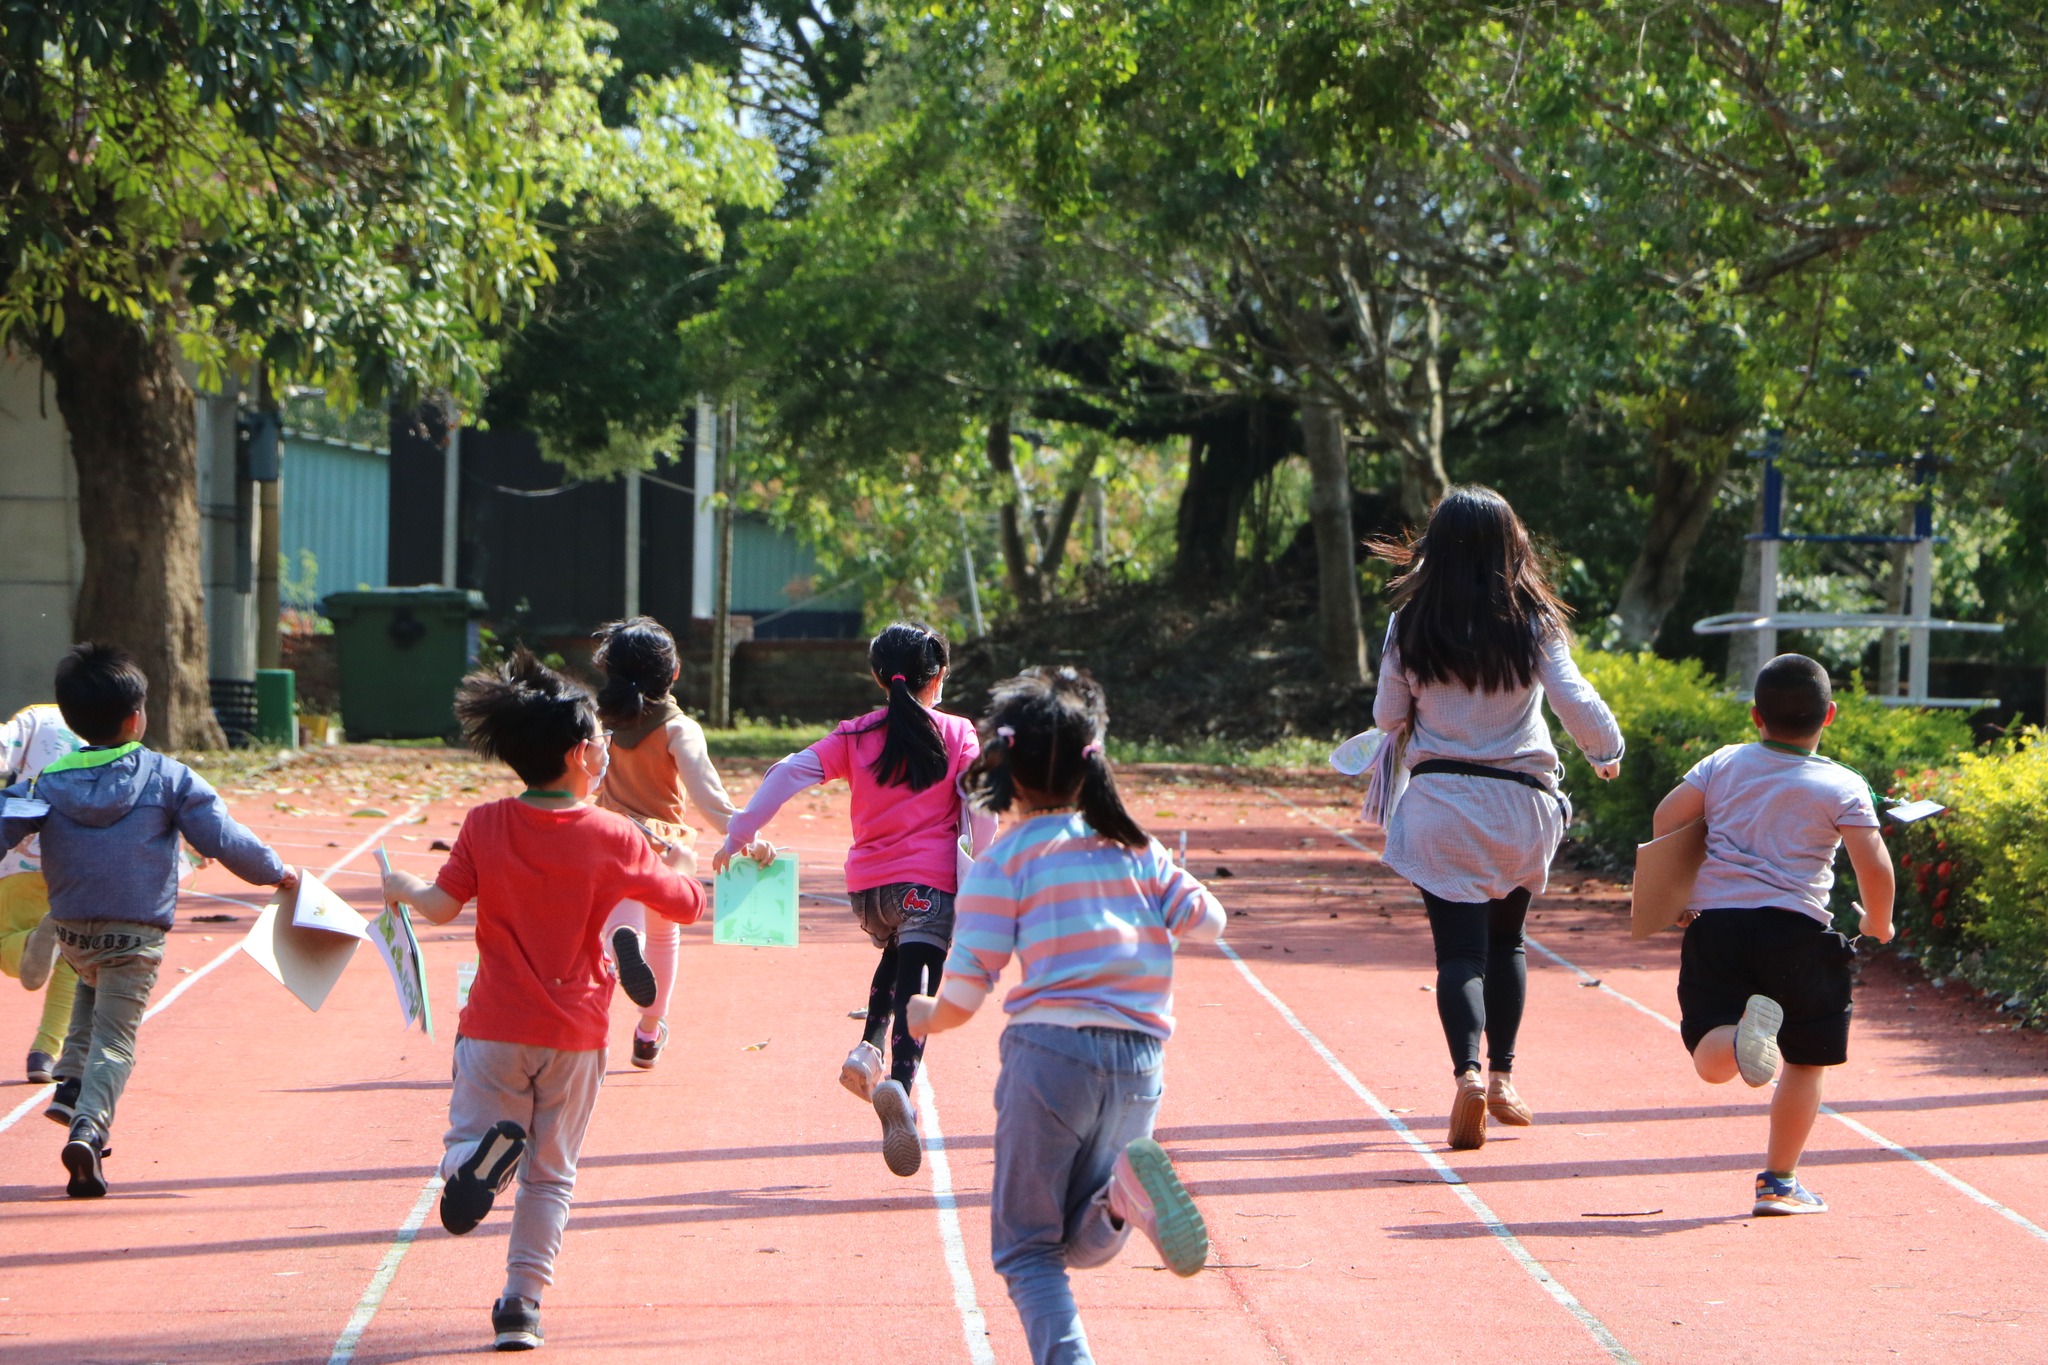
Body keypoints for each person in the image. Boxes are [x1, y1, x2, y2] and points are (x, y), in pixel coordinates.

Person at [380, 651, 703, 1351]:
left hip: (495, 1024)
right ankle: (520, 1305)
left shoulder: (484, 824)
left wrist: (402, 886)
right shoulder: (616, 835)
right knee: (551, 1177)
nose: (607, 749)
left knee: (465, 1136)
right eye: (600, 740)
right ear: (580, 754)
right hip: (575, 1033)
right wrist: (682, 865)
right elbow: (685, 905)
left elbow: (440, 906)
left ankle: (472, 1164)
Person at [907, 666, 1224, 1365]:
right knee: (1081, 1238)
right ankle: (1120, 1198)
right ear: (1091, 762)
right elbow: (1209, 921)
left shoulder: (1005, 861)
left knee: (1026, 1248)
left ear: (1007, 766)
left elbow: (967, 992)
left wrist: (927, 1015)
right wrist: (1163, 876)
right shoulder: (1135, 847)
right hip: (1141, 1060)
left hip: (1050, 1060)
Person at [1370, 485, 1624, 1151]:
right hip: (1519, 805)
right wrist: (1606, 751)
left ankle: (1468, 1075)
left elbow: (1388, 717)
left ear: (1435, 546)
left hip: (1440, 806)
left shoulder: (1410, 622)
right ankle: (1506, 1077)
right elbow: (1573, 695)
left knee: (1459, 952)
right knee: (1508, 941)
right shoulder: (1533, 620)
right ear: (1512, 546)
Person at [0, 645, 298, 1198]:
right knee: (116, 1038)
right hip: (135, 937)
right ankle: (90, 1129)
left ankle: (70, 1084)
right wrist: (276, 872)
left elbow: (5, 822)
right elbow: (222, 837)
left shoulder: (47, 784)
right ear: (136, 718)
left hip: (72, 932)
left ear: (72, 720)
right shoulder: (168, 777)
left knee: (90, 985)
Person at [713, 622, 993, 1177]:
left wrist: (739, 834)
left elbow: (787, 772)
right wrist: (982, 867)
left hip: (868, 892)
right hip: (927, 886)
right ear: (937, 676)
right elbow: (982, 807)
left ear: (878, 676)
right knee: (919, 976)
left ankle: (868, 1048)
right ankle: (901, 1086)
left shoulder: (854, 735)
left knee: (897, 952)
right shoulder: (957, 732)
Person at [1651, 653, 1894, 1216]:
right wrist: (1877, 922)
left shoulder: (1722, 763)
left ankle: (1738, 1039)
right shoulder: (1841, 783)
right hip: (1797, 932)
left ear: (1756, 716)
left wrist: (1675, 896)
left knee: (1709, 1049)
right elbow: (1873, 864)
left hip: (1718, 927)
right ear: (1829, 715)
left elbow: (1667, 818)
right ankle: (1778, 1183)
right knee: (1805, 1061)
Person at [588, 616, 770, 1070]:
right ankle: (648, 1033)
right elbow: (709, 798)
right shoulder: (678, 728)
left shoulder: (601, 725)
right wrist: (745, 837)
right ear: (674, 672)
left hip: (609, 838)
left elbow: (585, 781)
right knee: (664, 936)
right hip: (663, 848)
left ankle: (621, 940)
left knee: (622, 920)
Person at [0, 703, 84, 1082]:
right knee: (73, 958)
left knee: (5, 938)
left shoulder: (40, 718)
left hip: (19, 856)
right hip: (79, 865)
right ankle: (45, 1052)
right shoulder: (121, 737)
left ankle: (28, 945)